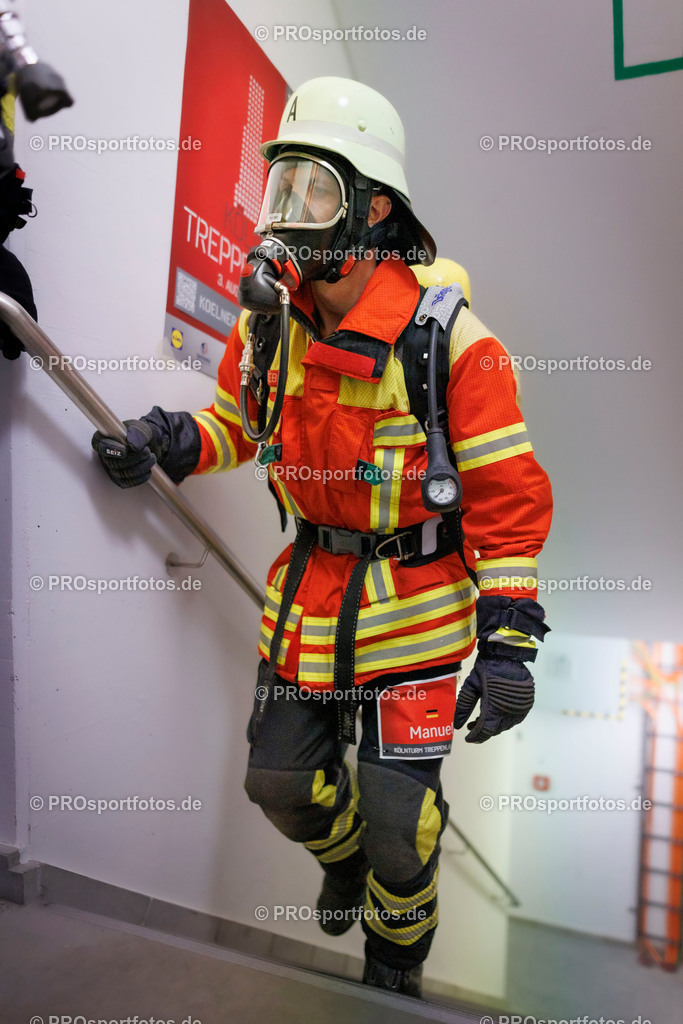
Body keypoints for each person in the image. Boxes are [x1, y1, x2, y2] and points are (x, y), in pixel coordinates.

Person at [92, 77, 553, 999]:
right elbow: (242, 424)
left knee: (401, 822)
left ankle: (394, 972)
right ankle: (340, 864)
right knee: (279, 787)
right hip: (305, 603)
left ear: (372, 209)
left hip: (415, 617)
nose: (285, 216)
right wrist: (174, 442)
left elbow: (506, 498)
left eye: (314, 192)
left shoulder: (453, 344)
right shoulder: (272, 329)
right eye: (280, 188)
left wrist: (508, 642)